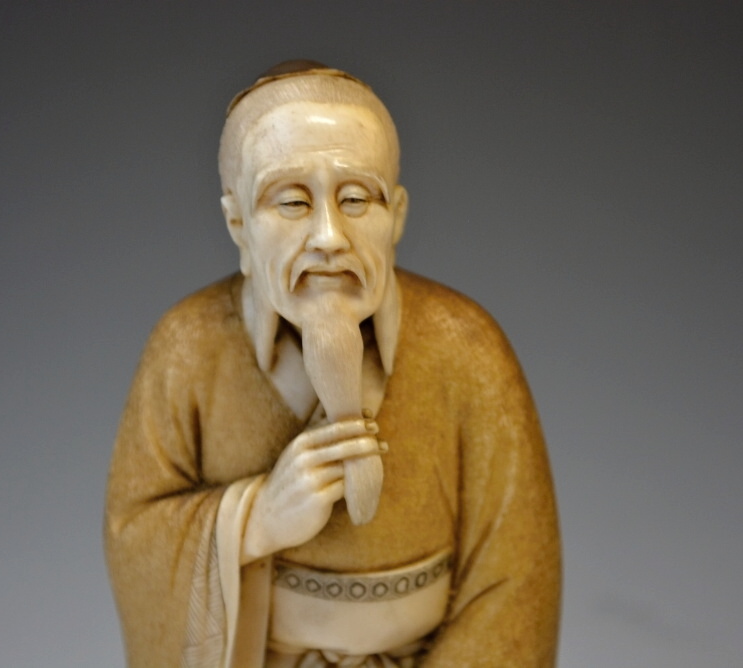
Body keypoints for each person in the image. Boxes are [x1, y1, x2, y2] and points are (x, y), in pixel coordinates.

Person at [104, 61, 561, 667]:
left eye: (356, 199)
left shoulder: (467, 349)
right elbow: (133, 534)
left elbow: (517, 578)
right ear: (238, 224)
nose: (328, 236)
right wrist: (256, 519)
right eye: (292, 202)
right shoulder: (189, 349)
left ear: (397, 216)